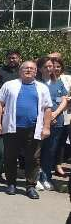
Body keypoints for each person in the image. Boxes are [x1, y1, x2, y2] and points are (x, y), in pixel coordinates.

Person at [0, 60, 52, 199]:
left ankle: (30, 186)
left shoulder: (42, 88)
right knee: (10, 157)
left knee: (33, 158)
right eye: (26, 68)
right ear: (20, 71)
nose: (29, 70)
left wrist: (46, 127)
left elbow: (47, 108)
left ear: (36, 72)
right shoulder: (9, 85)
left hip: (33, 129)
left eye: (32, 68)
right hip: (12, 128)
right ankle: (11, 183)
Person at [38, 57, 69, 190]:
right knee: (38, 150)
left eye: (50, 66)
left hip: (57, 121)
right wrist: (47, 117)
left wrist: (55, 114)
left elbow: (64, 100)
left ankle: (46, 177)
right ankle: (36, 177)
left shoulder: (58, 82)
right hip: (40, 121)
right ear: (40, 69)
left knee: (50, 151)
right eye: (46, 66)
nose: (49, 69)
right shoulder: (37, 83)